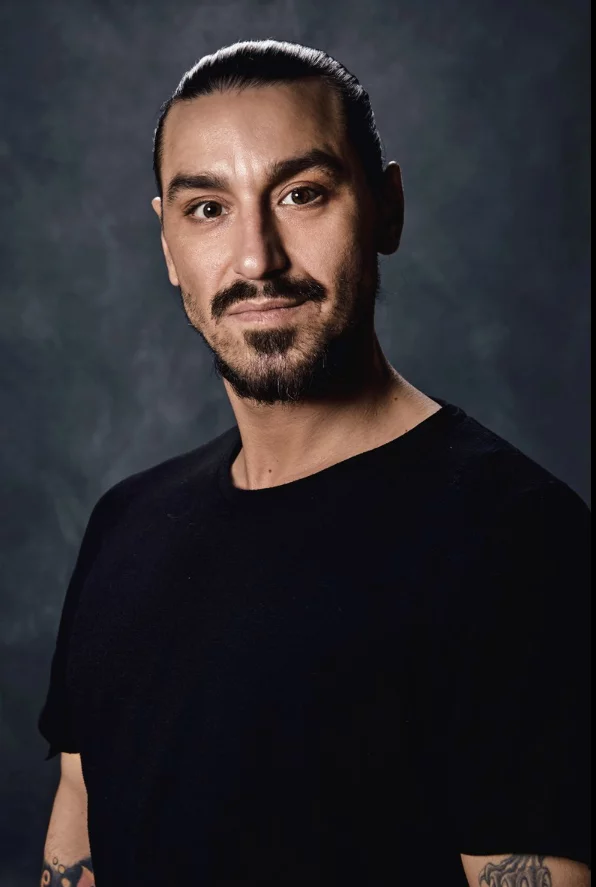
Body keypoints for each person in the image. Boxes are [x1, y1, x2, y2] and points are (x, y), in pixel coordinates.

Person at [38, 39, 590, 887]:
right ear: (168, 244)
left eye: (302, 194)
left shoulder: (517, 541)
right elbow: (78, 823)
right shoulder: (126, 523)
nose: (256, 258)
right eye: (207, 208)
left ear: (387, 209)